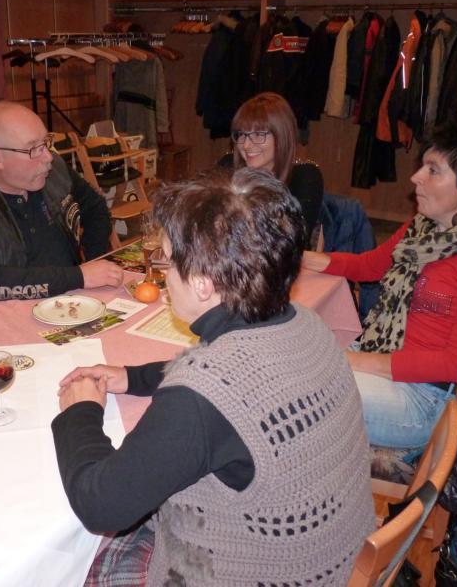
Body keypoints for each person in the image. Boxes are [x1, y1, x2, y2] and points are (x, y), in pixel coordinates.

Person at [54, 169, 374, 585]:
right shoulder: (305, 323)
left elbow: (101, 505)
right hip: (330, 561)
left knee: (69, 564)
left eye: (167, 262)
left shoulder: (200, 398)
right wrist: (132, 377)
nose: (165, 276)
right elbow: (241, 381)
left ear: (203, 284)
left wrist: (79, 412)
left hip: (256, 573)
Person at [302, 120, 457, 450]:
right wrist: (306, 259)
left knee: (296, 394)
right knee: (289, 364)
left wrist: (349, 360)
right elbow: (370, 265)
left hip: (421, 398)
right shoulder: (424, 228)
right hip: (382, 361)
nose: (416, 177)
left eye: (433, 170)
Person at [0, 101, 123, 301]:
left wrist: (93, 262)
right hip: (7, 310)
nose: (48, 157)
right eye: (33, 149)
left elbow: (96, 208)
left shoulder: (53, 170)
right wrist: (78, 277)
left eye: (45, 143)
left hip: (71, 298)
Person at [225, 91, 324, 236]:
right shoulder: (227, 166)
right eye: (241, 134)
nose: (246, 145)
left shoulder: (304, 177)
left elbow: (294, 238)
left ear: (281, 136)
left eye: (258, 134)